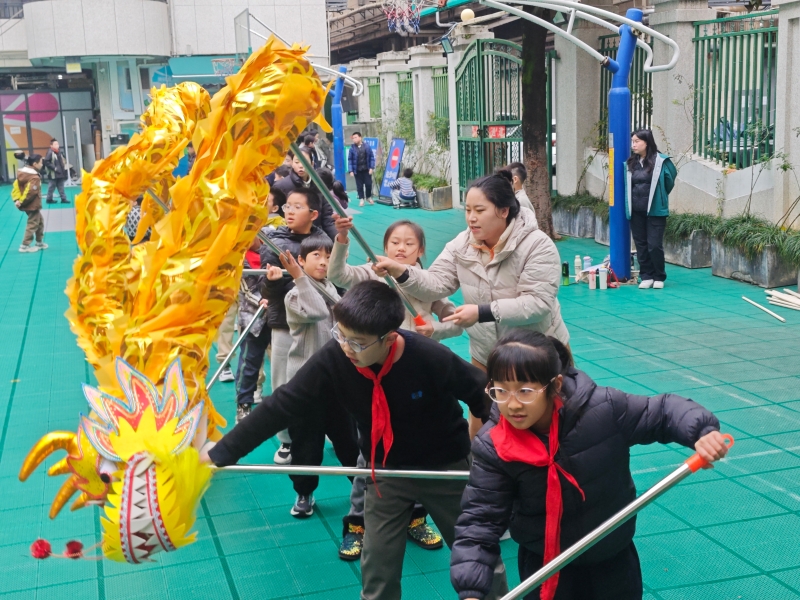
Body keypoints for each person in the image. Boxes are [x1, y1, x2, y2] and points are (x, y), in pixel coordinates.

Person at [203, 280, 498, 600]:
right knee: (377, 571)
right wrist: (220, 453)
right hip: (385, 472)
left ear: (389, 338)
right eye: (340, 334)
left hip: (444, 469)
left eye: (357, 342)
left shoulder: (429, 357)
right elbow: (282, 405)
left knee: (478, 557)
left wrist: (494, 456)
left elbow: (485, 398)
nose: (346, 347)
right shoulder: (336, 356)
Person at [450, 330, 729, 600]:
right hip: (545, 565)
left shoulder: (604, 409)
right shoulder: (494, 444)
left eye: (524, 391)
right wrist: (471, 590)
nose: (512, 405)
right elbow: (480, 520)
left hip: (611, 555)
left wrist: (703, 432)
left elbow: (663, 411)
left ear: (555, 385)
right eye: (501, 390)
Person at [372, 170, 569, 437]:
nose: (471, 218)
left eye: (479, 210)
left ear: (503, 211)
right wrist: (401, 271)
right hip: (486, 352)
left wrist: (481, 313)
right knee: (483, 425)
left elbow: (537, 303)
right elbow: (436, 283)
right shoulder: (462, 243)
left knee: (547, 423)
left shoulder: (537, 246)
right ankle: (481, 474)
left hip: (536, 353)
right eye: (467, 210)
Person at [330, 217, 463, 559]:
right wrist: (342, 237)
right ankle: (356, 524)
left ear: (421, 250)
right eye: (394, 242)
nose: (400, 248)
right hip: (374, 379)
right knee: (369, 455)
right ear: (385, 246)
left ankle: (415, 518)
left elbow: (452, 321)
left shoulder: (425, 284)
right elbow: (338, 276)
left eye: (409, 243)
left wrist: (436, 329)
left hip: (415, 381)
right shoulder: (374, 274)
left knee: (416, 452)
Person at [273, 236, 360, 518]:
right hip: (306, 387)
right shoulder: (294, 294)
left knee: (349, 443)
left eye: (328, 256)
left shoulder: (333, 288)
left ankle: (362, 490)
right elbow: (318, 311)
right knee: (306, 447)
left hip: (337, 385)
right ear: (300, 261)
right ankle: (304, 493)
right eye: (315, 256)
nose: (323, 261)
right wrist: (298, 278)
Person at [259, 188, 329, 464]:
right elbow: (266, 288)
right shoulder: (273, 239)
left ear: (312, 214)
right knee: (283, 383)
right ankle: (286, 440)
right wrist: (276, 282)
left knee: (326, 380)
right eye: (287, 206)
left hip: (318, 325)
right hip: (284, 323)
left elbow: (330, 280)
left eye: (297, 207)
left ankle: (331, 428)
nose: (288, 211)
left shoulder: (323, 240)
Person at [234, 190, 287, 421]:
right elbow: (243, 287)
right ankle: (243, 403)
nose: (252, 236)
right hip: (252, 316)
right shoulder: (237, 254)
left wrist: (274, 298)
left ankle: (284, 402)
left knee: (283, 361)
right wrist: (261, 300)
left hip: (279, 314)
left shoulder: (273, 238)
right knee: (249, 362)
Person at [626, 128, 676, 290]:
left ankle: (659, 276)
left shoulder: (660, 161)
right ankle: (646, 275)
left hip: (655, 211)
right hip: (636, 211)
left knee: (654, 245)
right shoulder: (630, 163)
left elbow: (669, 181)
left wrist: (660, 198)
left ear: (647, 142)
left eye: (637, 141)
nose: (633, 145)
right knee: (640, 244)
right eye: (632, 141)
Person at [273, 149, 337, 240]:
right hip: (291, 239)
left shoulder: (319, 184)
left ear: (312, 163)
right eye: (297, 162)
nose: (301, 165)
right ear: (292, 164)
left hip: (317, 239)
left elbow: (327, 218)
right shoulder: (281, 186)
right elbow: (275, 216)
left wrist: (337, 239)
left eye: (304, 162)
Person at [13, 153, 46, 253]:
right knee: (33, 223)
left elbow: (15, 187)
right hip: (32, 205)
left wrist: (16, 199)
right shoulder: (34, 177)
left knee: (39, 221)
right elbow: (31, 192)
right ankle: (24, 245)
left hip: (28, 204)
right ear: (35, 164)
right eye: (41, 162)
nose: (42, 164)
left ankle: (39, 242)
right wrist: (21, 202)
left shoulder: (22, 173)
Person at [347, 132, 375, 207]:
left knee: (368, 184)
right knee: (359, 185)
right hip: (357, 170)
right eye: (353, 138)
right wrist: (351, 170)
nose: (354, 139)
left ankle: (368, 197)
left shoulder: (367, 146)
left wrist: (371, 168)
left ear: (360, 137)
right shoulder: (352, 148)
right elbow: (350, 160)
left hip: (366, 169)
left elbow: (372, 157)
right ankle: (361, 199)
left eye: (356, 137)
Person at [44, 138, 68, 204]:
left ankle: (63, 199)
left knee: (61, 186)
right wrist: (54, 168)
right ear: (51, 146)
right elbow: (46, 161)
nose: (57, 145)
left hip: (60, 173)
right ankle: (49, 199)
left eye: (57, 144)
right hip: (53, 173)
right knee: (51, 187)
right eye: (55, 144)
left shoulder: (58, 152)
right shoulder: (50, 152)